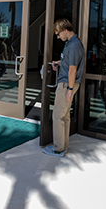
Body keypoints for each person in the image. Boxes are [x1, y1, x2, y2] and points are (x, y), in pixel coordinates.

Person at [43, 18, 84, 157]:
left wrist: (70, 90)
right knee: (65, 116)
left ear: (66, 30)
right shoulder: (72, 43)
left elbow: (73, 69)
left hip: (67, 84)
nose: (58, 36)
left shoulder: (73, 45)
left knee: (58, 116)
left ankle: (58, 148)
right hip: (68, 83)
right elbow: (69, 63)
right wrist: (59, 63)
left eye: (58, 33)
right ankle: (63, 146)